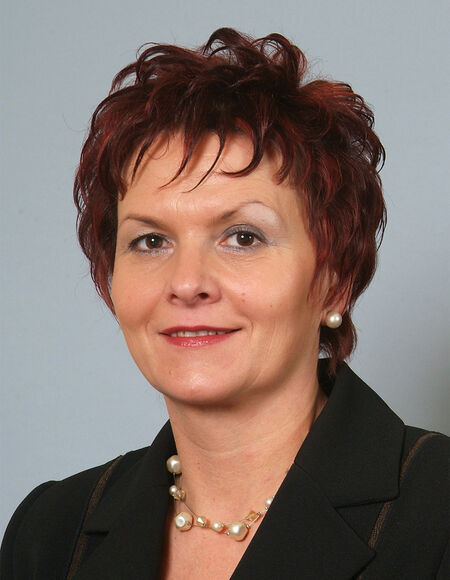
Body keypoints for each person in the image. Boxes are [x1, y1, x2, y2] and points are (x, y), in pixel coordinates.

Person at [1, 28, 448, 580]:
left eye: (243, 237)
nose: (187, 283)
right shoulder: (50, 533)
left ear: (334, 280)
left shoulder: (438, 513)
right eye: (151, 241)